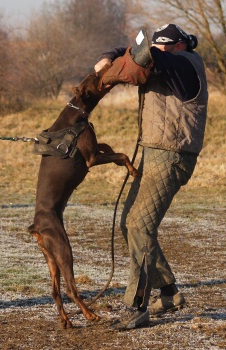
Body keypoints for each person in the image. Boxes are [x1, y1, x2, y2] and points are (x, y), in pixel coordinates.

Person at [94, 24, 208, 330]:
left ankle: (136, 306)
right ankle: (169, 292)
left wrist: (139, 55)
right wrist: (110, 56)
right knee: (129, 224)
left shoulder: (185, 65)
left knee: (139, 226)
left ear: (180, 46)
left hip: (172, 157)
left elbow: (151, 59)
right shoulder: (166, 57)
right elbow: (134, 52)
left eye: (163, 48)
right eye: (154, 48)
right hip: (151, 153)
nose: (157, 54)